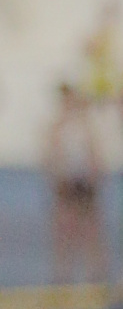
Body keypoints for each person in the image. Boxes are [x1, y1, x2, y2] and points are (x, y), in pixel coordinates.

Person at [46, 81, 109, 285]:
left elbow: (95, 155)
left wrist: (94, 176)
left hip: (83, 181)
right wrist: (55, 176)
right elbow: (52, 155)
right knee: (65, 227)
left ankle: (95, 270)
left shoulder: (84, 127)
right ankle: (63, 271)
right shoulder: (58, 126)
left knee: (90, 227)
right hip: (67, 181)